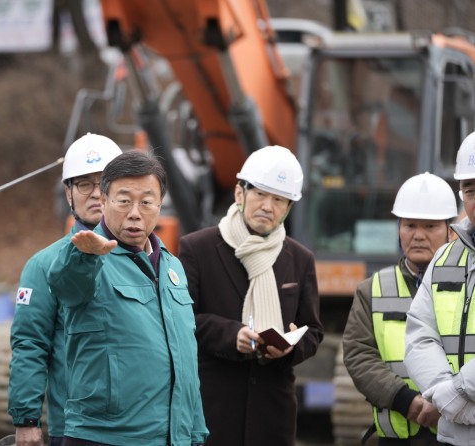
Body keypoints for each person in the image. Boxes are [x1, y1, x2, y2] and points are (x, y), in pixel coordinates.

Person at [47, 150, 208, 446]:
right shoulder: (89, 259)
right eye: (124, 201)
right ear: (104, 201)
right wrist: (83, 255)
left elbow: (184, 358)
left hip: (172, 437)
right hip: (105, 437)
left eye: (147, 202)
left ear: (159, 205)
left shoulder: (174, 268)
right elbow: (66, 285)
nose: (135, 212)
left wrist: (195, 431)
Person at [178, 145, 323, 446]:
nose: (268, 206)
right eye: (260, 194)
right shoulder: (197, 249)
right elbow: (182, 320)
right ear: (239, 194)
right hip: (212, 410)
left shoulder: (300, 259)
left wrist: (291, 348)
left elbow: (313, 331)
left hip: (273, 413)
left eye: (279, 199)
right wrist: (233, 336)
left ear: (288, 208)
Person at [8, 133, 122, 446]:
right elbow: (30, 345)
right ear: (68, 194)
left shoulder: (148, 259)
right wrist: (26, 420)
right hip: (76, 430)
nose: (96, 193)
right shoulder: (43, 265)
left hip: (141, 429)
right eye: (85, 184)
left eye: (105, 182)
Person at [343, 172, 457, 445]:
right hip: (398, 435)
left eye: (430, 227)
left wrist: (448, 400)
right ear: (398, 229)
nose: (418, 236)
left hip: (456, 431)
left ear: (450, 232)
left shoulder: (468, 284)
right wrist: (407, 402)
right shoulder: (372, 289)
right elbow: (359, 355)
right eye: (410, 225)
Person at [405, 132, 475, 445]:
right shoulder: (446, 257)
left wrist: (458, 390)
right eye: (470, 190)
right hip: (454, 432)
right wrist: (442, 391)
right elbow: (419, 333)